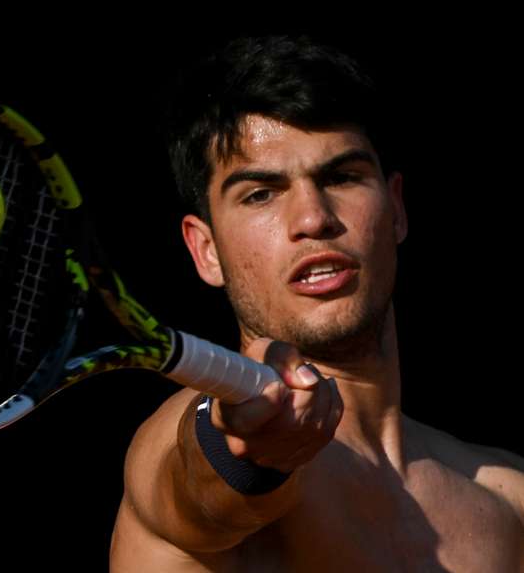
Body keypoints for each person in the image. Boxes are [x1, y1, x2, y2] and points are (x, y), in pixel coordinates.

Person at [109, 35, 523, 571]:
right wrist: (247, 451)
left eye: (342, 177)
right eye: (260, 193)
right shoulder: (189, 437)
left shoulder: (510, 501)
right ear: (205, 250)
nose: (313, 218)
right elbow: (195, 486)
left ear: (396, 209)